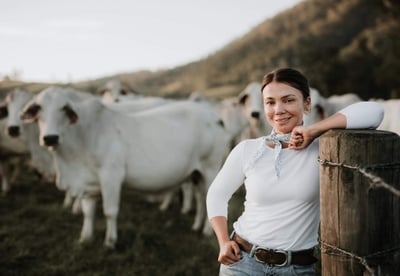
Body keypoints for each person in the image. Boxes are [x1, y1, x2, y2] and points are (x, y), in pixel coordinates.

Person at [206, 68, 384, 276]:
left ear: (307, 104)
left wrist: (314, 130)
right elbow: (217, 193)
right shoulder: (249, 149)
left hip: (297, 268)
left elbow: (375, 112)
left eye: (288, 100)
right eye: (270, 102)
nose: (278, 109)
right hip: (243, 262)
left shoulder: (325, 148)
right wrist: (224, 241)